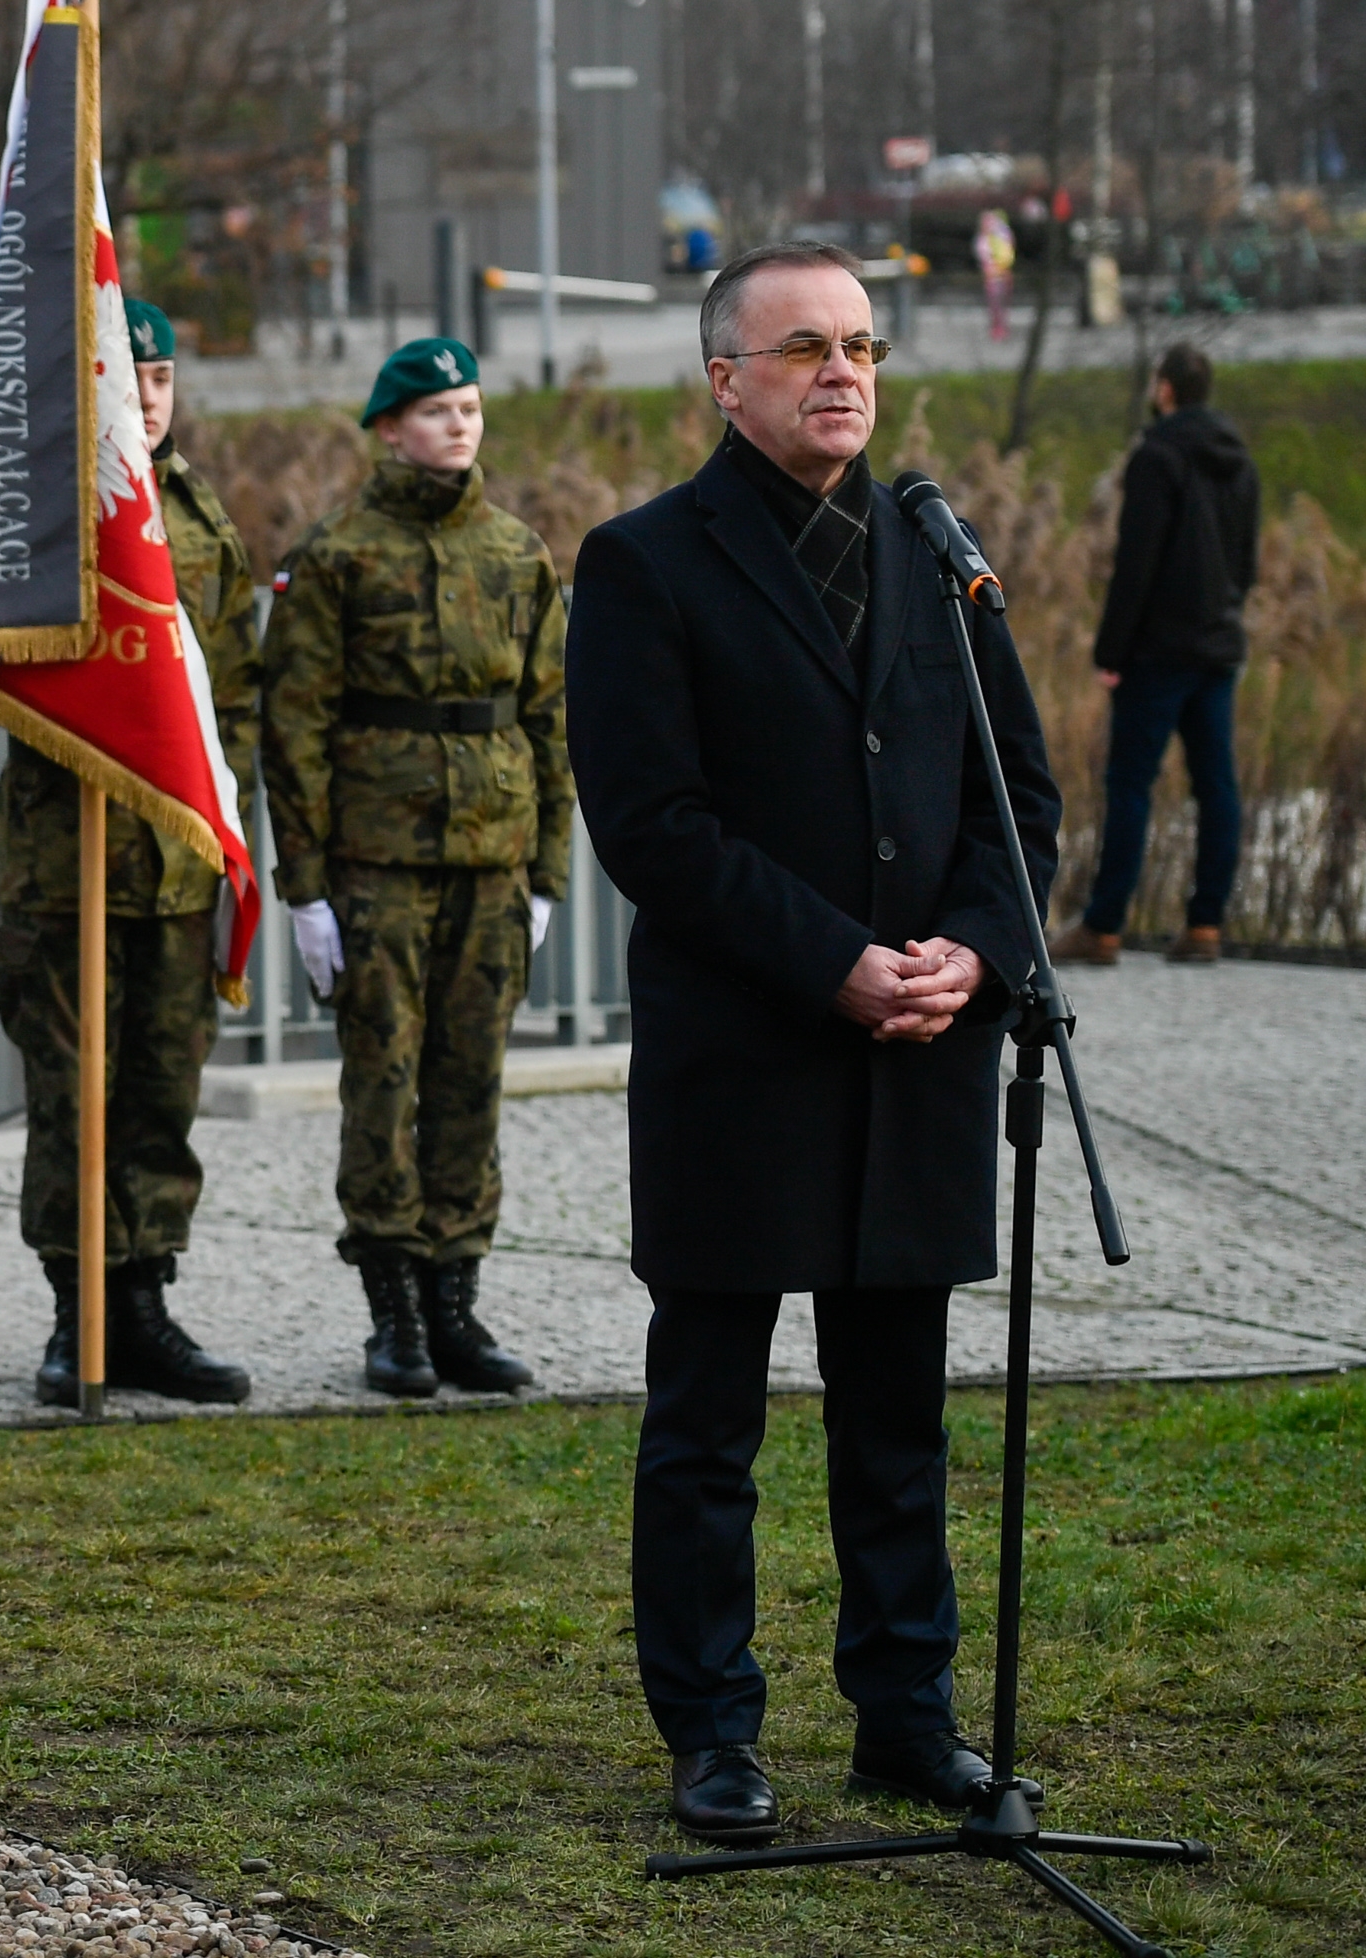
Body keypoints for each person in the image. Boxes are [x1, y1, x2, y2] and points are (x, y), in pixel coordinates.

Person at [567, 240, 1059, 1844]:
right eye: (805, 348)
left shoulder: (936, 554)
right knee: (708, 1424)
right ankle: (713, 1729)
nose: (843, 372)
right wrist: (829, 961)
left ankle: (908, 1718)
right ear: (728, 380)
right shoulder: (646, 562)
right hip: (743, 1059)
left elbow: (1016, 795)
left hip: (919, 1054)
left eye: (861, 345)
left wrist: (976, 950)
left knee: (898, 1418)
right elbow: (653, 821)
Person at [0, 298, 254, 1406]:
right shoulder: (35, 518)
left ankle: (145, 1303)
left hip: (176, 867)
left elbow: (234, 704)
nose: (143, 399)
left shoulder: (200, 523)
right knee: (73, 1102)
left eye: (159, 380)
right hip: (65, 871)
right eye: (125, 379)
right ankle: (78, 1311)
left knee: (160, 1098)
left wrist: (231, 833)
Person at [256, 335, 565, 1401]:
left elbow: (549, 718)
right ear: (389, 430)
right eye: (436, 411)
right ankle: (393, 1311)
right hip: (376, 863)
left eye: (469, 407)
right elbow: (294, 728)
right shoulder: (337, 554)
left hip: (492, 857)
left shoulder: (516, 552)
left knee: (471, 1080)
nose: (458, 424)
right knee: (383, 1083)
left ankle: (454, 1303)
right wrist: (305, 889)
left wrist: (547, 873)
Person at [1060, 341, 1259, 967]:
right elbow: (1246, 563)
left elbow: (1136, 563)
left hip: (1159, 651)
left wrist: (1110, 650)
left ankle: (1103, 927)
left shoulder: (1157, 455)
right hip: (1218, 646)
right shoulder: (1240, 461)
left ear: (1166, 388)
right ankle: (1205, 926)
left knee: (1130, 783)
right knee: (1217, 786)